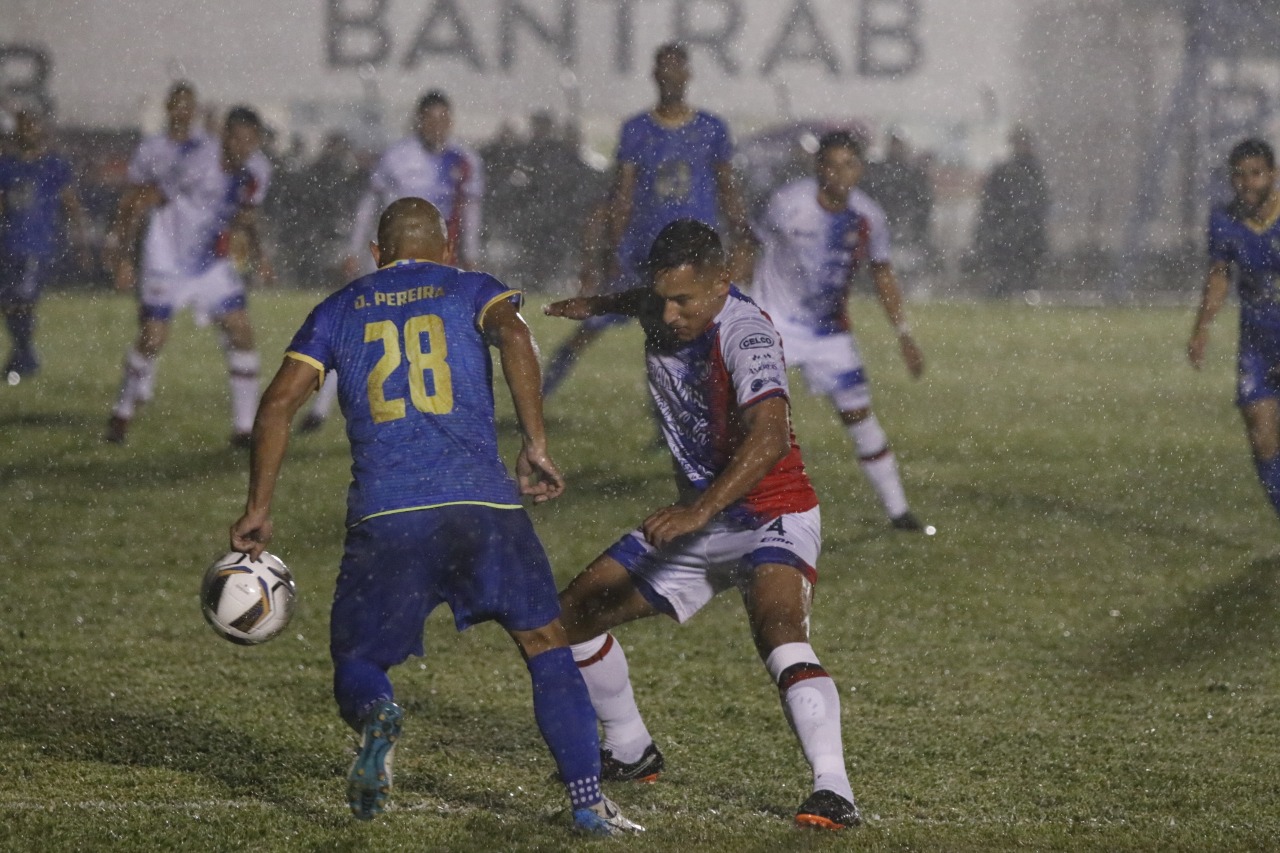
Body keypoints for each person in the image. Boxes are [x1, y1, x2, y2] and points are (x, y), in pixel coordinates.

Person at [227, 197, 641, 835]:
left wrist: (258, 507)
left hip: (389, 513)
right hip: (484, 506)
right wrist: (534, 442)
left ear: (376, 253)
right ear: (448, 246)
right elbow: (516, 336)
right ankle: (587, 801)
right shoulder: (473, 288)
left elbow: (278, 405)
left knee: (358, 662)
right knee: (544, 644)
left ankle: (377, 719)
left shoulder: (339, 308)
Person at [544, 219, 861, 831]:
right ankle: (632, 749)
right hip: (703, 516)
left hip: (772, 512)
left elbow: (769, 436)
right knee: (571, 618)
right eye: (660, 297)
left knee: (778, 629)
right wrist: (599, 304)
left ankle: (834, 789)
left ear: (723, 282)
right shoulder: (663, 303)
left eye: (684, 300)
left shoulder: (746, 334)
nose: (670, 313)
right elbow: (642, 299)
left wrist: (699, 510)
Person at [540, 42, 750, 398]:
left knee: (686, 338)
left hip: (693, 256)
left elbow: (726, 186)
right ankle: (539, 394)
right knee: (592, 323)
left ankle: (681, 423)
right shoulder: (637, 129)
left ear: (687, 75)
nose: (669, 76)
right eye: (663, 69)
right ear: (654, 75)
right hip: (644, 251)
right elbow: (622, 194)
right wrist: (613, 247)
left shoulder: (711, 129)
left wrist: (740, 233)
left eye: (676, 69)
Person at [750, 130, 926, 531]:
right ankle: (740, 509)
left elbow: (882, 272)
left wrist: (904, 333)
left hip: (829, 334)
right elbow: (748, 246)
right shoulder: (787, 203)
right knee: (756, 420)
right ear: (818, 167)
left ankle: (899, 512)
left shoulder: (867, 217)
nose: (839, 174)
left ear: (859, 169)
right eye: (830, 164)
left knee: (859, 416)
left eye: (848, 165)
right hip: (773, 324)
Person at [300, 90, 484, 433]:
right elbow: (369, 206)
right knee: (363, 328)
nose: (438, 127)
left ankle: (429, 410)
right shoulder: (397, 158)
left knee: (435, 334)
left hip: (437, 264)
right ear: (418, 121)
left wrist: (471, 254)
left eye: (444, 119)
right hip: (390, 258)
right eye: (431, 119)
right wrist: (354, 250)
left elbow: (471, 213)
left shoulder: (465, 161)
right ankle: (321, 408)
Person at [105, 93, 271, 447]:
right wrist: (123, 255)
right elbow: (145, 198)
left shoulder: (257, 171)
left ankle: (245, 429)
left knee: (241, 330)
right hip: (166, 256)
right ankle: (121, 413)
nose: (245, 147)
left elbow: (247, 214)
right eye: (239, 138)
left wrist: (260, 255)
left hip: (210, 262)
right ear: (224, 135)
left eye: (252, 140)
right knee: (153, 338)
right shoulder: (196, 161)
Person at [1188, 138, 1280, 523]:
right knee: (1261, 434)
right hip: (1258, 343)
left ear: (1272, 176)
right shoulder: (1224, 220)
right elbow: (1219, 276)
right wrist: (1202, 328)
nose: (1247, 183)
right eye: (1239, 176)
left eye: (1255, 174)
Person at [0, 107, 88, 379]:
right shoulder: (7, 165)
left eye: (33, 124)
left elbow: (71, 204)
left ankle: (24, 357)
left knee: (23, 300)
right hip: (9, 245)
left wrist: (80, 240)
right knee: (8, 302)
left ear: (41, 129)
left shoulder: (53, 165)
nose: (29, 129)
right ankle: (24, 355)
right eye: (24, 125)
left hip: (37, 246)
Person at [974, 126, 1050, 298]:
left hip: (1024, 230)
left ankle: (1021, 292)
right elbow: (992, 201)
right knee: (1006, 270)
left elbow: (1039, 201)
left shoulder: (1031, 171)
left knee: (1026, 269)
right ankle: (1005, 291)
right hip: (1010, 230)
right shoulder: (1007, 171)